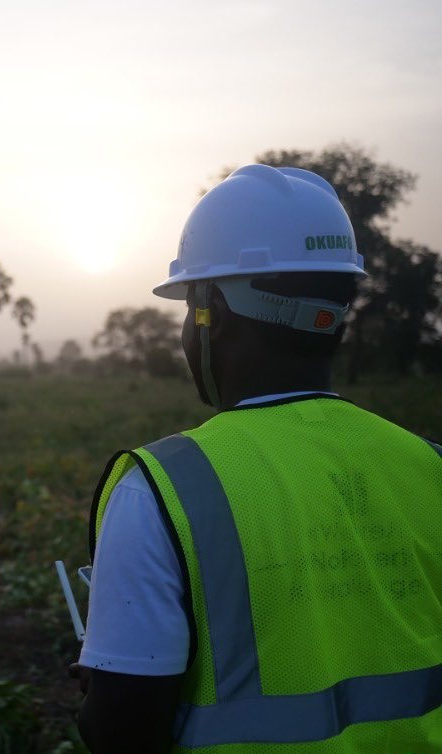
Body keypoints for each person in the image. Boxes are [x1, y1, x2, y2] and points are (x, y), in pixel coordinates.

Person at [70, 164, 441, 753]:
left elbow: (119, 731)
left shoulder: (161, 491)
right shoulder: (429, 466)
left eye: (189, 307)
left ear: (209, 311)